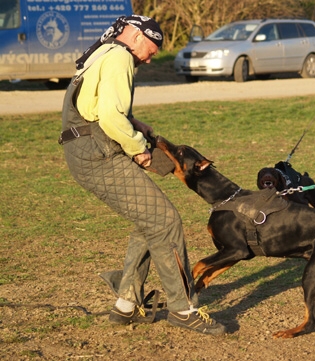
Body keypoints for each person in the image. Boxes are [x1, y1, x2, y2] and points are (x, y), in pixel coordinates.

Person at [59, 15, 226, 336]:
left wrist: (136, 124)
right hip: (98, 153)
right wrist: (138, 147)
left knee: (150, 220)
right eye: (152, 48)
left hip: (86, 149)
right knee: (165, 221)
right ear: (136, 36)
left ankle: (125, 304)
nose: (151, 57)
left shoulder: (104, 51)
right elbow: (108, 115)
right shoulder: (121, 56)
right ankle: (182, 308)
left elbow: (96, 105)